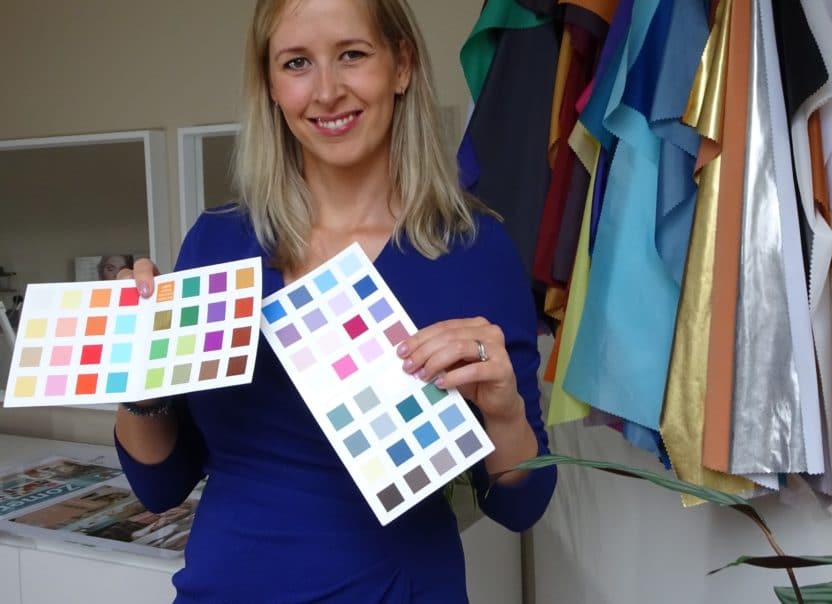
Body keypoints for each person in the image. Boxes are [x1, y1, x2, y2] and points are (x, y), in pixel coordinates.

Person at [115, 0, 557, 601]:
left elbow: (521, 505)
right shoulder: (218, 243)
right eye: (296, 63)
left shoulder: (475, 249)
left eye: (351, 54)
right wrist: (140, 379)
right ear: (271, 85)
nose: (326, 91)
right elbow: (160, 487)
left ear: (401, 65)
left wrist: (503, 410)